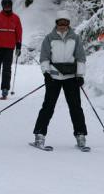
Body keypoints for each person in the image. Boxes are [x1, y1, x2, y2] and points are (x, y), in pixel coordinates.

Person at [32, 10, 88, 150]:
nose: (63, 25)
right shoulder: (49, 38)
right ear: (56, 23)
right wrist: (46, 73)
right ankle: (39, 135)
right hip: (54, 77)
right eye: (60, 22)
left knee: (75, 107)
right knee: (48, 106)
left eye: (65, 23)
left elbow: (81, 57)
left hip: (71, 78)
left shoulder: (75, 38)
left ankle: (80, 136)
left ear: (68, 24)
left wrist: (80, 75)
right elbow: (44, 57)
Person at [0, 0, 22, 100]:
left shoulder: (16, 18)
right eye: (5, 6)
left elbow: (19, 32)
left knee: (7, 69)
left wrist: (18, 45)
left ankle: (5, 89)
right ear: (2, 6)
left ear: (11, 6)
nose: (7, 7)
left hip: (9, 48)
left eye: (8, 5)